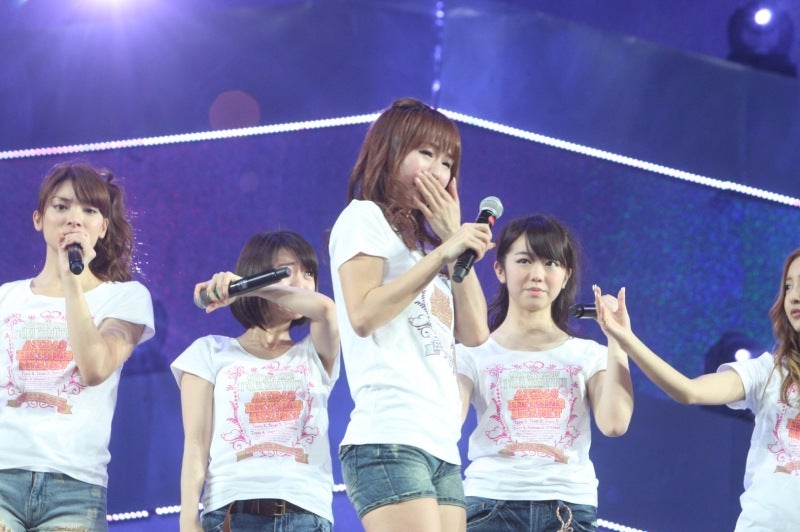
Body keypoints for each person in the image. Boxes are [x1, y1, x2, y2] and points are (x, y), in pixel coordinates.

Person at [328, 97, 494, 532]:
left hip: (441, 445)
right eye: (426, 153)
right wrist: (445, 250)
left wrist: (450, 238)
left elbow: (476, 333)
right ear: (391, 150)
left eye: (448, 162)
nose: (439, 171)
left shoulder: (429, 248)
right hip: (389, 435)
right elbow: (363, 315)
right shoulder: (363, 217)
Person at [594, 248, 800, 531]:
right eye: (788, 286)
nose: (794, 296)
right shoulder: (768, 372)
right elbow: (689, 391)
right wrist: (626, 339)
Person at [0, 161, 155, 531]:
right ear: (39, 219)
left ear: (103, 227)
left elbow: (95, 367)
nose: (74, 219)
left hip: (74, 488)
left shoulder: (126, 297)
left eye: (89, 210)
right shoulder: (7, 298)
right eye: (61, 206)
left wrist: (73, 279)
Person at [457, 214, 634, 532]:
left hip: (569, 508)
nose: (537, 275)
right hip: (489, 504)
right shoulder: (472, 352)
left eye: (551, 263)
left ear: (566, 276)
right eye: (524, 261)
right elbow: (445, 425)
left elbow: (614, 423)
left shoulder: (588, 355)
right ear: (500, 269)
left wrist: (618, 339)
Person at [172, 230, 340, 532]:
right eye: (287, 272)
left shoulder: (314, 353)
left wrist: (250, 287)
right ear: (258, 271)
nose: (302, 283)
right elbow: (196, 443)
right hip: (230, 513)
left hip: (305, 515)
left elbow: (326, 309)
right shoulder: (209, 352)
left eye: (309, 274)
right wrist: (187, 520)